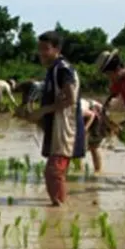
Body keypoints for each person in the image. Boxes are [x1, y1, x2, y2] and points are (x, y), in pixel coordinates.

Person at [23, 31, 85, 206]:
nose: (41, 53)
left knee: (54, 172)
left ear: (57, 49)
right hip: (57, 126)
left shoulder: (62, 69)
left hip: (65, 128)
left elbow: (71, 98)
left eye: (46, 49)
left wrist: (43, 111)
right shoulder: (53, 70)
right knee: (54, 172)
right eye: (39, 49)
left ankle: (59, 213)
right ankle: (57, 208)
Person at [96, 49, 125, 184]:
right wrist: (104, 111)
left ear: (117, 69)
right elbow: (113, 95)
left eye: (109, 75)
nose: (109, 79)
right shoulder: (120, 80)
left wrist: (123, 124)